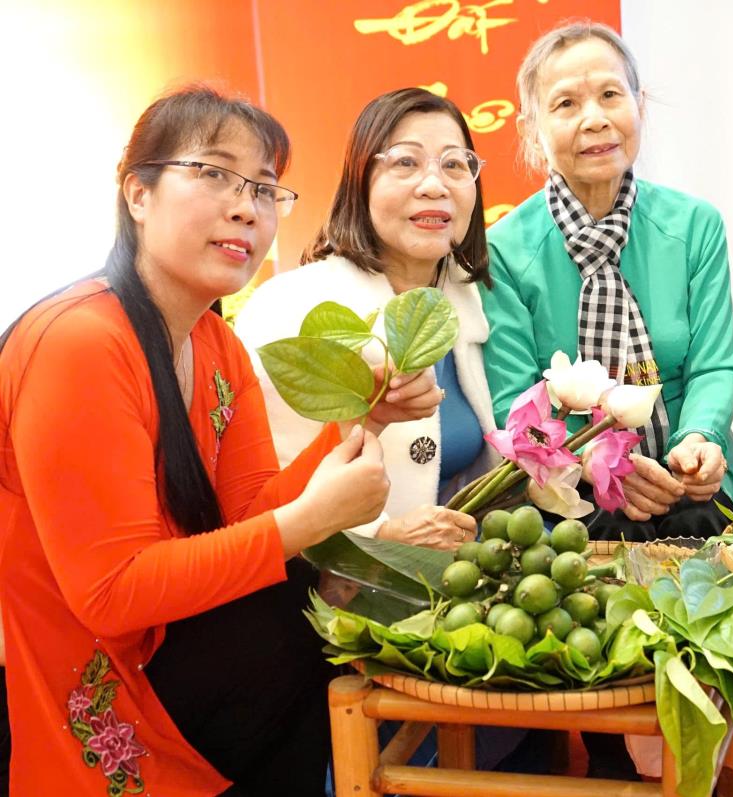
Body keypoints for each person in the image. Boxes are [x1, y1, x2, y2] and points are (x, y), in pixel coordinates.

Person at [0, 85, 430, 796]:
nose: (246, 208)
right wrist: (311, 521)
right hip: (102, 686)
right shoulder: (79, 342)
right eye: (214, 174)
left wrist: (362, 419)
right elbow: (111, 592)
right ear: (138, 193)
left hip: (177, 657)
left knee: (314, 597)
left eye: (263, 188)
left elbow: (247, 515)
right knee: (301, 603)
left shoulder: (216, 343)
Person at [483, 21, 733, 544]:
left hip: (693, 478)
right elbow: (514, 403)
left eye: (610, 95)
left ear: (639, 105)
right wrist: (595, 462)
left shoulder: (695, 225)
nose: (595, 119)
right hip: (569, 486)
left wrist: (701, 438)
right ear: (531, 128)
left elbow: (716, 366)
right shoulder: (502, 252)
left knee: (701, 531)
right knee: (598, 538)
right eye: (566, 104)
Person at [236, 87, 497, 549]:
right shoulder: (288, 305)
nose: (434, 185)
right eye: (406, 162)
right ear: (361, 181)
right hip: (338, 582)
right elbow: (266, 488)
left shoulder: (482, 302)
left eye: (455, 165)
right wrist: (381, 539)